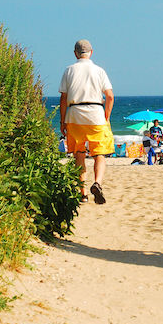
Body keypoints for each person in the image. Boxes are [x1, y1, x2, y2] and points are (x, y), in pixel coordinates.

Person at [59, 39, 114, 204]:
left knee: (79, 154)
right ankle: (97, 182)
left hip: (75, 113)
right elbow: (110, 96)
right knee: (99, 153)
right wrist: (107, 116)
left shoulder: (69, 70)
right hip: (96, 113)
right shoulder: (99, 71)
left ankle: (82, 193)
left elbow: (63, 98)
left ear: (75, 53)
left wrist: (62, 121)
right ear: (91, 52)